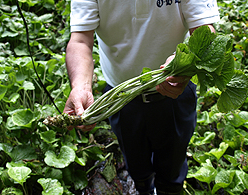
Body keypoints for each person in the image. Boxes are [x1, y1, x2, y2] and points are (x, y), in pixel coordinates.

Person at [64, 1, 220, 194]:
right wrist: (81, 86)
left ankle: (169, 189)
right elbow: (80, 41)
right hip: (120, 97)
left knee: (173, 164)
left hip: (176, 91)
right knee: (136, 163)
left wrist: (185, 62)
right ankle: (143, 187)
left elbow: (205, 31)